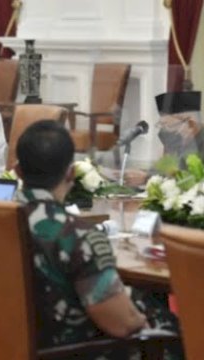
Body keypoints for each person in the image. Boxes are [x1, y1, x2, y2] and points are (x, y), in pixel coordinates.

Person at [15, 120, 181, 358]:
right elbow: (122, 324)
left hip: (2, 342)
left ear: (18, 170)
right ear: (71, 172)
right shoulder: (77, 236)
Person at [123, 91, 202, 186]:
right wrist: (138, 173)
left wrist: (147, 178)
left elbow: (190, 180)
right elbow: (162, 169)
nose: (165, 131)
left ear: (191, 124)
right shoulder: (177, 143)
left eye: (168, 126)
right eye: (161, 125)